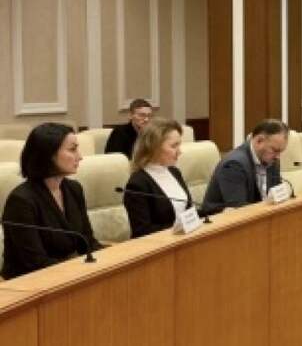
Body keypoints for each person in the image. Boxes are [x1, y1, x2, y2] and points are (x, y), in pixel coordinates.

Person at [1, 123, 103, 279]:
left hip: (67, 275)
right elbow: (35, 263)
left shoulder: (74, 189)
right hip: (29, 284)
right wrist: (79, 271)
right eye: (72, 149)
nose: (80, 156)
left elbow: (87, 242)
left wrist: (111, 257)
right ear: (48, 154)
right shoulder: (21, 201)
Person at [123, 118, 195, 237]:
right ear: (154, 148)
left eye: (179, 145)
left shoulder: (175, 172)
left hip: (185, 239)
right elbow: (142, 231)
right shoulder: (137, 184)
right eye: (174, 146)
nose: (180, 151)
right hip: (159, 245)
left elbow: (189, 212)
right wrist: (178, 227)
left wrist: (216, 210)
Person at [202, 119, 288, 214]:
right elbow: (239, 209)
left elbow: (277, 195)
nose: (278, 157)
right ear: (259, 141)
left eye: (280, 152)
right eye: (275, 150)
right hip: (222, 220)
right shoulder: (234, 165)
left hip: (260, 215)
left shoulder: (271, 160)